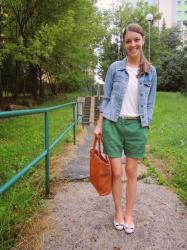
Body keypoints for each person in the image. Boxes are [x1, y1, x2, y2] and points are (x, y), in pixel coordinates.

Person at [94, 23, 157, 234]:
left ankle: (129, 214)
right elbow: (107, 98)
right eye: (128, 41)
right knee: (116, 171)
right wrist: (99, 124)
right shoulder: (115, 68)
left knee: (131, 172)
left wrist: (146, 125)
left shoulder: (151, 72)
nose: (132, 44)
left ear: (143, 40)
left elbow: (150, 103)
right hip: (114, 123)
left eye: (136, 40)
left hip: (137, 126)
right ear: (124, 43)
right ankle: (118, 212)